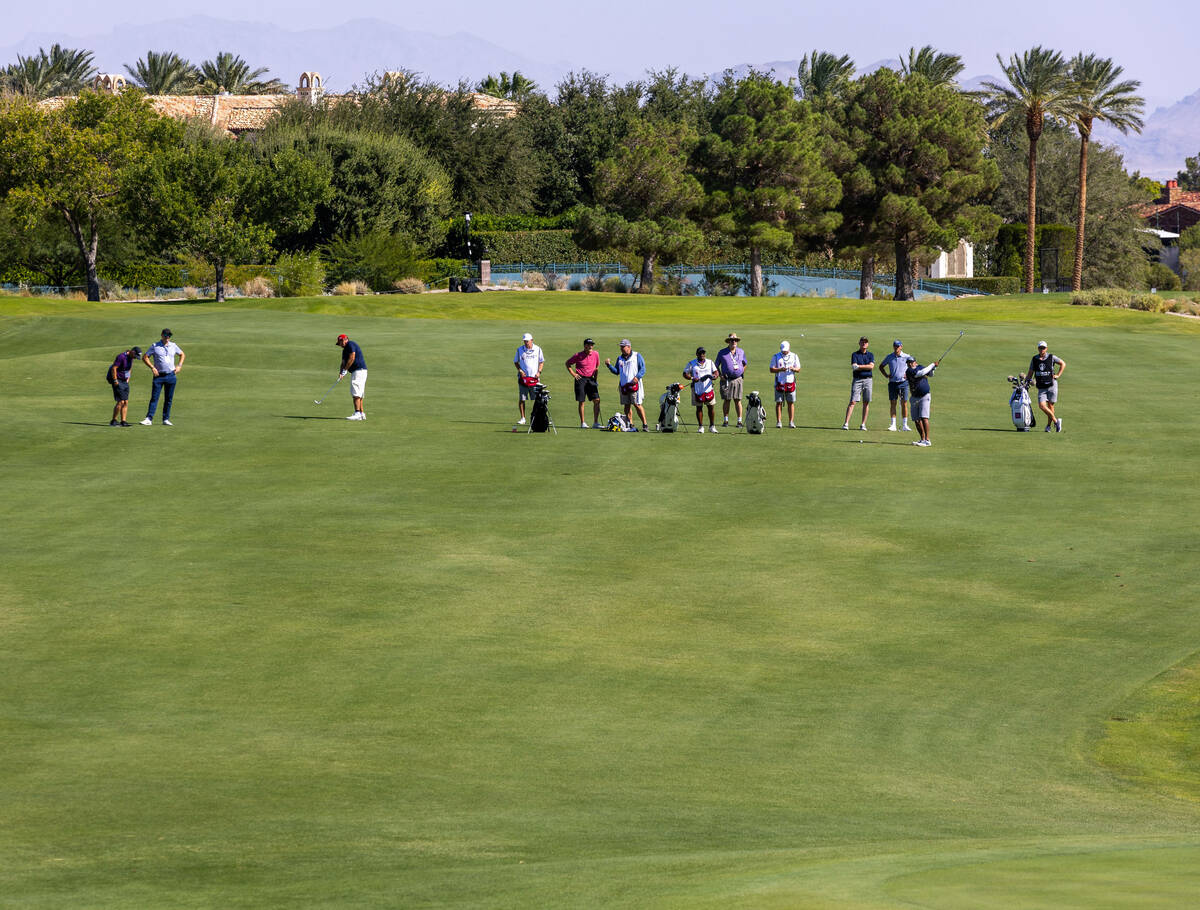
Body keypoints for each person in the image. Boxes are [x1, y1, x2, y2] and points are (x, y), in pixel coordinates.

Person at [140, 329, 184, 426]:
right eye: (166, 335)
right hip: (159, 376)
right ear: (162, 335)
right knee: (154, 398)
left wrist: (179, 366)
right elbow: (145, 357)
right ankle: (149, 418)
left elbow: (182, 354)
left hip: (171, 375)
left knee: (168, 399)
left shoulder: (173, 345)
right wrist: (152, 367)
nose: (168, 337)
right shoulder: (155, 346)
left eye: (169, 336)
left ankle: (166, 419)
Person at [605, 338, 648, 431]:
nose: (621, 348)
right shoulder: (619, 358)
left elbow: (643, 368)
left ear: (629, 347)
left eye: (623, 347)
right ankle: (630, 424)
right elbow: (617, 371)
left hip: (634, 386)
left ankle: (645, 425)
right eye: (621, 347)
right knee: (627, 405)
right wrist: (609, 366)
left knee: (637, 404)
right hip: (624, 386)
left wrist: (638, 377)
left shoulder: (637, 355)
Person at [1026, 340, 1065, 433]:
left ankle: (1048, 426)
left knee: (1050, 405)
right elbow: (1030, 373)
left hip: (1052, 385)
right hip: (1041, 387)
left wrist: (1058, 375)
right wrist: (1026, 382)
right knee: (1042, 405)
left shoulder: (1051, 357)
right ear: (1038, 349)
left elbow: (1063, 364)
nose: (1042, 350)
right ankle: (1056, 421)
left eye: (1043, 348)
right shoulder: (1034, 359)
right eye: (1040, 348)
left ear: (1046, 348)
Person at [565, 337, 602, 428]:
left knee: (597, 400)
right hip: (580, 379)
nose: (590, 346)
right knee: (582, 401)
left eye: (592, 345)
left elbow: (596, 368)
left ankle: (596, 423)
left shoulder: (596, 354)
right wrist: (574, 374)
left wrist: (595, 380)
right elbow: (568, 363)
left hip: (591, 379)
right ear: (585, 346)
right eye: (589, 345)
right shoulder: (578, 355)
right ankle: (583, 423)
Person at [715, 332, 748, 428]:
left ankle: (739, 421)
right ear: (728, 342)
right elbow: (716, 366)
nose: (734, 342)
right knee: (727, 400)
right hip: (726, 380)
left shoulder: (741, 352)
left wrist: (741, 371)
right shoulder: (722, 352)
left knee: (738, 400)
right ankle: (726, 421)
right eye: (732, 340)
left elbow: (744, 363)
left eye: (735, 340)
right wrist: (720, 375)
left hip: (738, 379)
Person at [905, 354, 939, 447]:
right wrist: (932, 365)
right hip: (914, 397)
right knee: (916, 420)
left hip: (925, 396)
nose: (909, 364)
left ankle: (927, 440)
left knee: (924, 418)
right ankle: (922, 439)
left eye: (911, 362)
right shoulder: (909, 371)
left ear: (915, 362)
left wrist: (933, 369)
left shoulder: (920, 367)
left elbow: (930, 374)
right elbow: (921, 373)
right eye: (908, 363)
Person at [684, 346, 720, 433]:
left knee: (711, 407)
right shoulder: (692, 363)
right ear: (697, 354)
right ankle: (700, 427)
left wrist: (715, 376)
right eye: (700, 353)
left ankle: (712, 426)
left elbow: (716, 372)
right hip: (697, 388)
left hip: (708, 388)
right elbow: (685, 373)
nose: (702, 355)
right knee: (699, 408)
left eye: (703, 353)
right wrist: (692, 378)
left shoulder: (710, 362)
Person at [878, 339, 911, 432]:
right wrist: (886, 375)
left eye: (898, 346)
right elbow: (881, 366)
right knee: (893, 403)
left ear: (901, 346)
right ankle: (893, 425)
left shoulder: (906, 357)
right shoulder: (889, 357)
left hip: (904, 383)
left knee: (904, 403)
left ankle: (905, 424)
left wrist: (909, 375)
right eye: (895, 346)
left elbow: (913, 366)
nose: (896, 348)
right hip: (892, 383)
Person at [843, 336, 874, 430]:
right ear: (859, 343)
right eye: (862, 342)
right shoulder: (855, 354)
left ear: (867, 344)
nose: (864, 343)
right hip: (857, 380)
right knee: (852, 401)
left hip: (868, 380)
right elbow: (854, 367)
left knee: (866, 402)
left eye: (865, 342)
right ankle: (846, 423)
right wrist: (866, 366)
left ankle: (863, 424)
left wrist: (860, 366)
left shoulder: (870, 355)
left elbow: (871, 367)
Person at [513, 332, 543, 426]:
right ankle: (523, 418)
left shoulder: (537, 349)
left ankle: (539, 417)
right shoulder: (520, 350)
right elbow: (516, 362)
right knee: (522, 399)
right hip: (523, 379)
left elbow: (541, 362)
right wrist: (520, 370)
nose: (526, 343)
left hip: (534, 379)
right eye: (525, 341)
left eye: (527, 341)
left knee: (538, 399)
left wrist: (539, 372)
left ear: (532, 340)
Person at [336, 334, 368, 421]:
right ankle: (361, 413)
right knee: (359, 393)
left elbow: (352, 357)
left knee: (356, 393)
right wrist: (341, 373)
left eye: (340, 342)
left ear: (345, 340)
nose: (340, 345)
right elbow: (343, 363)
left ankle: (357, 413)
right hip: (359, 371)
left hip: (358, 371)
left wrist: (345, 370)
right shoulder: (344, 351)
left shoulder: (350, 344)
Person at [769, 340, 801, 428]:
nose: (785, 351)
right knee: (778, 402)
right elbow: (771, 369)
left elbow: (798, 369)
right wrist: (780, 369)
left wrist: (793, 369)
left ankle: (791, 422)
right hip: (779, 382)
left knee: (790, 402)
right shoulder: (776, 356)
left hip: (790, 382)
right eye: (783, 350)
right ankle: (779, 422)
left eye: (786, 350)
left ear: (789, 348)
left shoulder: (794, 356)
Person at [107, 345, 141, 427]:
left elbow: (129, 368)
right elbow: (114, 368)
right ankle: (113, 420)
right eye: (135, 356)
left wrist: (128, 378)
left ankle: (123, 421)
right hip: (117, 380)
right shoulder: (121, 357)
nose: (135, 358)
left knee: (125, 401)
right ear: (132, 352)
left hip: (124, 381)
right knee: (120, 401)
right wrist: (115, 380)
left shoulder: (131, 358)